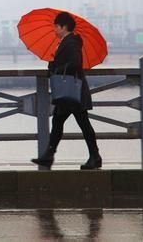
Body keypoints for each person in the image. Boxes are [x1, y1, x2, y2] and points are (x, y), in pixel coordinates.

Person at [31, 11, 102, 170]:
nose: (54, 30)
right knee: (60, 121)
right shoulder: (67, 42)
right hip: (71, 91)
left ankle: (94, 156)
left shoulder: (72, 42)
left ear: (63, 27)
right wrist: (54, 64)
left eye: (56, 27)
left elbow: (75, 63)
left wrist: (57, 68)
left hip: (72, 90)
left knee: (80, 123)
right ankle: (49, 156)